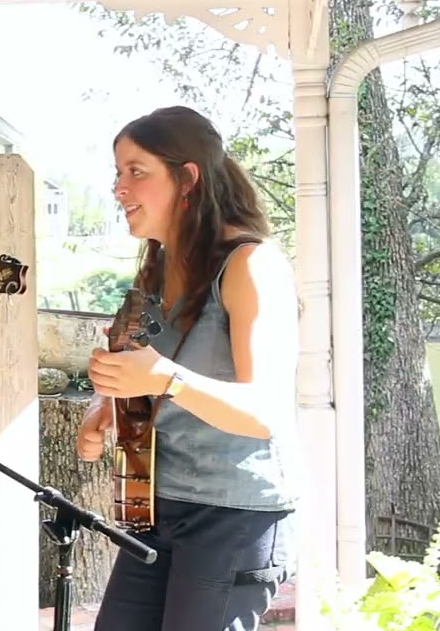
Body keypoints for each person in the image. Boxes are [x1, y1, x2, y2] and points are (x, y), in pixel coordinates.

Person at [81, 105, 300, 631]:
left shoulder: (250, 264)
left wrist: (163, 378)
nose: (119, 188)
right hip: (153, 509)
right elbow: (139, 373)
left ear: (187, 178)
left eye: (137, 171)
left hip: (233, 516)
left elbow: (266, 411)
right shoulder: (154, 270)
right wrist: (105, 408)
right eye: (117, 173)